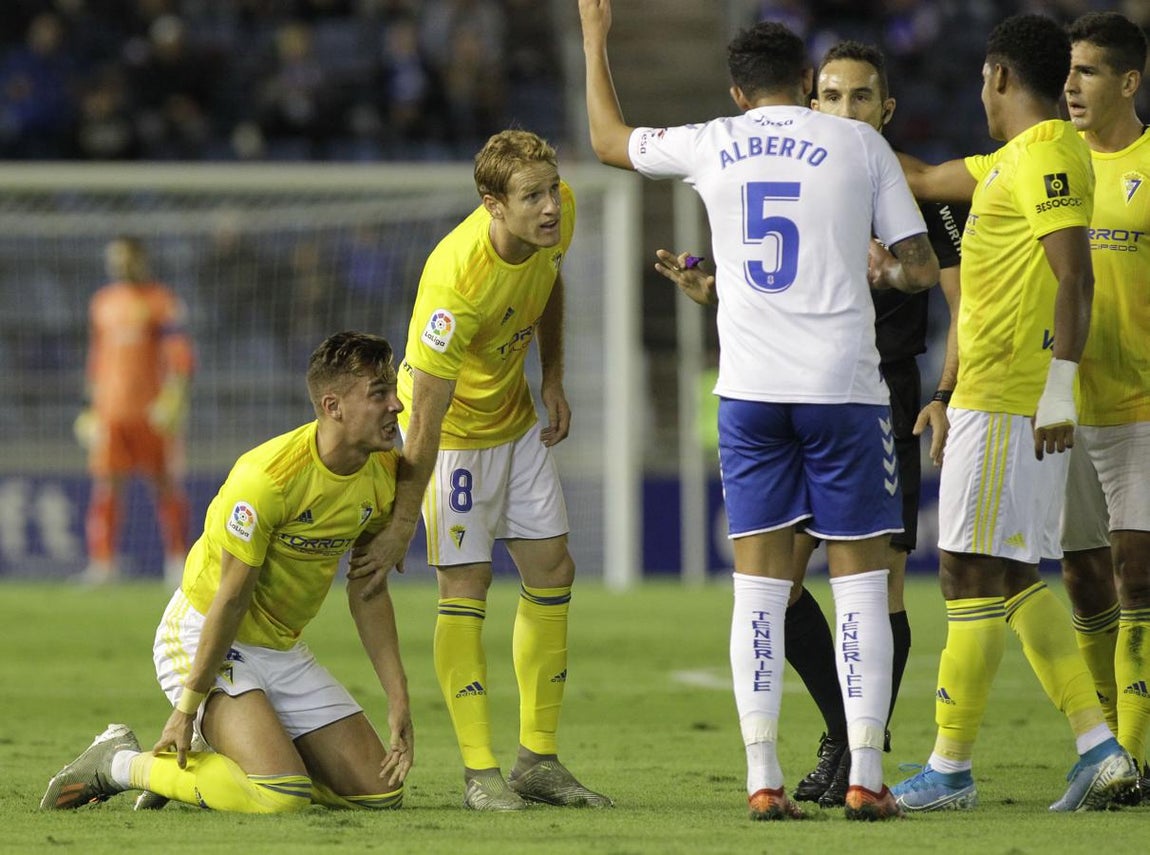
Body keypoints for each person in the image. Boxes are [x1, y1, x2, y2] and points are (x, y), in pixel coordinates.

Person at [581, 0, 941, 822]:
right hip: (845, 391)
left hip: (748, 395)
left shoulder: (713, 138)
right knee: (860, 585)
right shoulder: (860, 142)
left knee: (758, 585)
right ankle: (865, 776)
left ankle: (762, 777)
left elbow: (607, 141)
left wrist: (595, 38)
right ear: (808, 83)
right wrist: (879, 273)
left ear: (739, 93)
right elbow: (920, 268)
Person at [654, 39, 968, 810]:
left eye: (863, 97)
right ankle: (845, 737)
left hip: (884, 389)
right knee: (788, 586)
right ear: (810, 94)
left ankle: (856, 747)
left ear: (886, 109)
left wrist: (947, 390)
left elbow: (960, 297)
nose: (846, 108)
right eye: (833, 94)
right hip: (823, 391)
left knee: (880, 585)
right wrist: (717, 294)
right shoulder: (812, 161)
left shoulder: (914, 185)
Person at [889, 14, 1139, 812]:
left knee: (968, 570)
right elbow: (925, 179)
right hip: (996, 395)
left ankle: (952, 767)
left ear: (996, 78)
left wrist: (1059, 389)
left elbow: (1076, 280)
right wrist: (842, 139)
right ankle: (1098, 746)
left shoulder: (1043, 160)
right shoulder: (1014, 160)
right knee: (1007, 573)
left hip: (1010, 399)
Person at [346, 129, 611, 812]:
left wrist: (552, 374)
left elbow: (547, 282)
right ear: (495, 204)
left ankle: (538, 760)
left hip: (516, 423)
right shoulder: (454, 280)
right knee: (466, 582)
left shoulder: (563, 215)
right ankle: (478, 772)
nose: (551, 207)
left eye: (551, 189)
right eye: (532, 197)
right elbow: (424, 415)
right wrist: (404, 517)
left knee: (554, 568)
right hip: (455, 439)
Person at [41, 331, 415, 814]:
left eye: (393, 391)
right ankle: (118, 762)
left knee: (380, 792)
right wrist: (185, 710)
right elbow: (231, 598)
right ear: (333, 405)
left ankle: (213, 767)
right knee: (281, 797)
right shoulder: (267, 480)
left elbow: (367, 588)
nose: (397, 406)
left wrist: (398, 698)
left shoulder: (384, 474)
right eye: (379, 394)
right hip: (204, 635)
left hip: (280, 649)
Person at [1060, 10, 1150, 802]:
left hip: (1140, 406)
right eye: (1067, 69)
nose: (1069, 84)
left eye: (1087, 70)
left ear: (1129, 80)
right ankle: (1116, 750)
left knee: (1136, 569)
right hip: (1061, 410)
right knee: (1085, 579)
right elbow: (940, 183)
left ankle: (1134, 755)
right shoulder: (1045, 162)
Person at [76, 236, 195, 586]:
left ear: (141, 259)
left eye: (126, 258)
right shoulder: (102, 303)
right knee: (106, 488)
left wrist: (175, 396)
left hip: (151, 413)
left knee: (165, 485)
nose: (119, 264)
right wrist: (89, 406)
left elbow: (180, 354)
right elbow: (97, 359)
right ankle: (103, 563)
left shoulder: (161, 302)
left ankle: (177, 561)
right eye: (114, 258)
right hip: (111, 412)